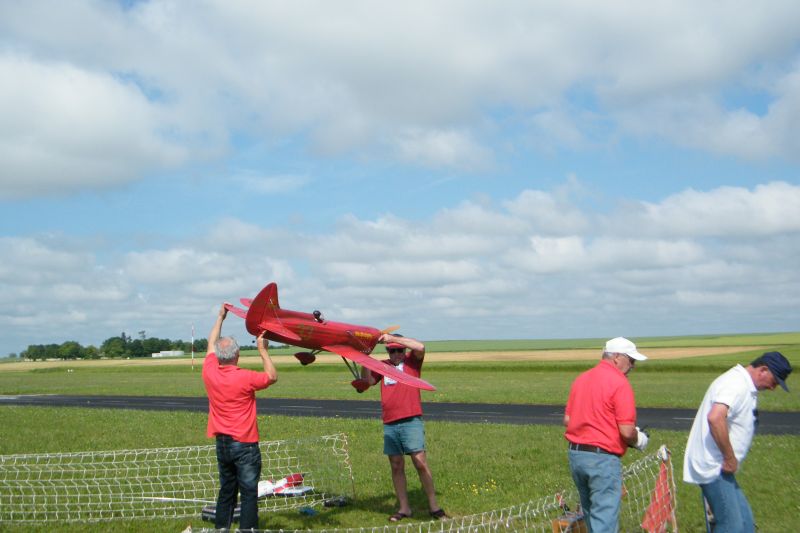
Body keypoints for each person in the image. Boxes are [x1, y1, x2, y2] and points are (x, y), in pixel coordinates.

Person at [683, 351, 792, 532]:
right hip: (714, 466)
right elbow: (715, 418)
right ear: (763, 370)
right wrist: (729, 457)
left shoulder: (743, 385)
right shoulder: (735, 384)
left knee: (745, 525)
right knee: (731, 527)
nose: (773, 388)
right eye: (774, 382)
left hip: (721, 468)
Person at [351, 333, 446, 522]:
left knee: (420, 462)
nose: (396, 354)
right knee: (396, 465)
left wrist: (391, 338)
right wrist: (365, 360)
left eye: (399, 350)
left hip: (411, 419)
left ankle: (434, 507)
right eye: (392, 350)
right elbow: (368, 382)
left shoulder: (412, 362)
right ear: (388, 351)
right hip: (390, 422)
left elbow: (420, 347)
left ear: (404, 350)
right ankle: (404, 508)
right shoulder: (383, 366)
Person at [202, 303, 278, 530]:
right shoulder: (245, 377)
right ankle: (247, 529)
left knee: (226, 489)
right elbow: (272, 376)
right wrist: (263, 349)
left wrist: (220, 318)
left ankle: (221, 528)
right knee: (248, 492)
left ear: (219, 355)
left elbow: (209, 345)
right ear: (237, 355)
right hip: (244, 444)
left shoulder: (209, 371)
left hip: (222, 443)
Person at [563, 337, 650, 532]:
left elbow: (568, 420)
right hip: (602, 459)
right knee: (605, 520)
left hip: (576, 456)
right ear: (617, 357)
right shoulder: (620, 383)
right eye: (632, 360)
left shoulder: (582, 379)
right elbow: (627, 431)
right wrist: (640, 439)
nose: (633, 366)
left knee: (591, 516)